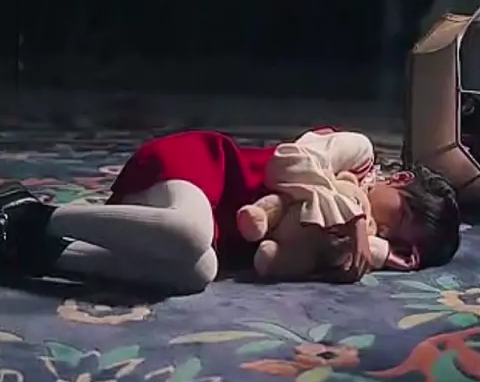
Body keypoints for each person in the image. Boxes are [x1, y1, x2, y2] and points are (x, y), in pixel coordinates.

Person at [0, 128, 460, 294]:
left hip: (207, 230)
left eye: (394, 239)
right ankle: (34, 214)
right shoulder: (358, 156)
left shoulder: (346, 247)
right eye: (399, 217)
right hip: (207, 171)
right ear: (400, 181)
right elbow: (292, 159)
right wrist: (354, 217)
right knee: (190, 234)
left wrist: (382, 253)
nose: (382, 228)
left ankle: (41, 252)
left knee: (198, 272)